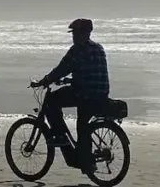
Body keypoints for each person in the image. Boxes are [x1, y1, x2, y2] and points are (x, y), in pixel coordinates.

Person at [32, 18, 110, 175]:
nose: (73, 36)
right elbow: (89, 72)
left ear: (81, 33)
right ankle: (86, 161)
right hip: (101, 93)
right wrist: (70, 80)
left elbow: (62, 69)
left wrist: (45, 80)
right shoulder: (98, 48)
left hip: (85, 93)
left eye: (74, 33)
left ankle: (59, 135)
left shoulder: (77, 50)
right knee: (83, 125)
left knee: (51, 101)